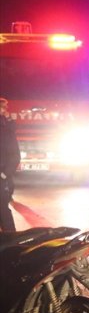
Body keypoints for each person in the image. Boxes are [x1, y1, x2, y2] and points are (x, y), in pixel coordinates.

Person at [1, 97, 20, 232]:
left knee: (2, 209)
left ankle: (11, 239)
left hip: (1, 176)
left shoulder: (7, 131)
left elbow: (15, 155)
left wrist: (4, 174)